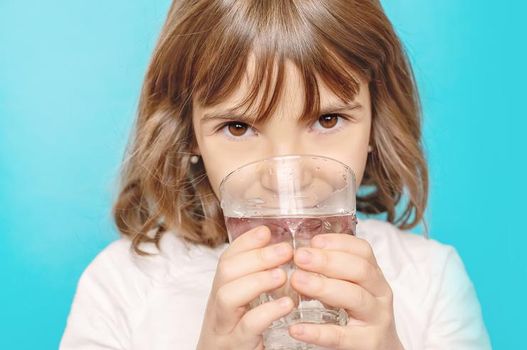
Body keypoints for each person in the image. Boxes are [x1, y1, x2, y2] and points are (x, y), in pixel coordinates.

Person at [60, 0, 491, 348]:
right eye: (239, 127)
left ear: (376, 121)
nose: (289, 175)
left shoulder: (432, 282)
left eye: (327, 119)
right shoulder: (121, 289)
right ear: (188, 133)